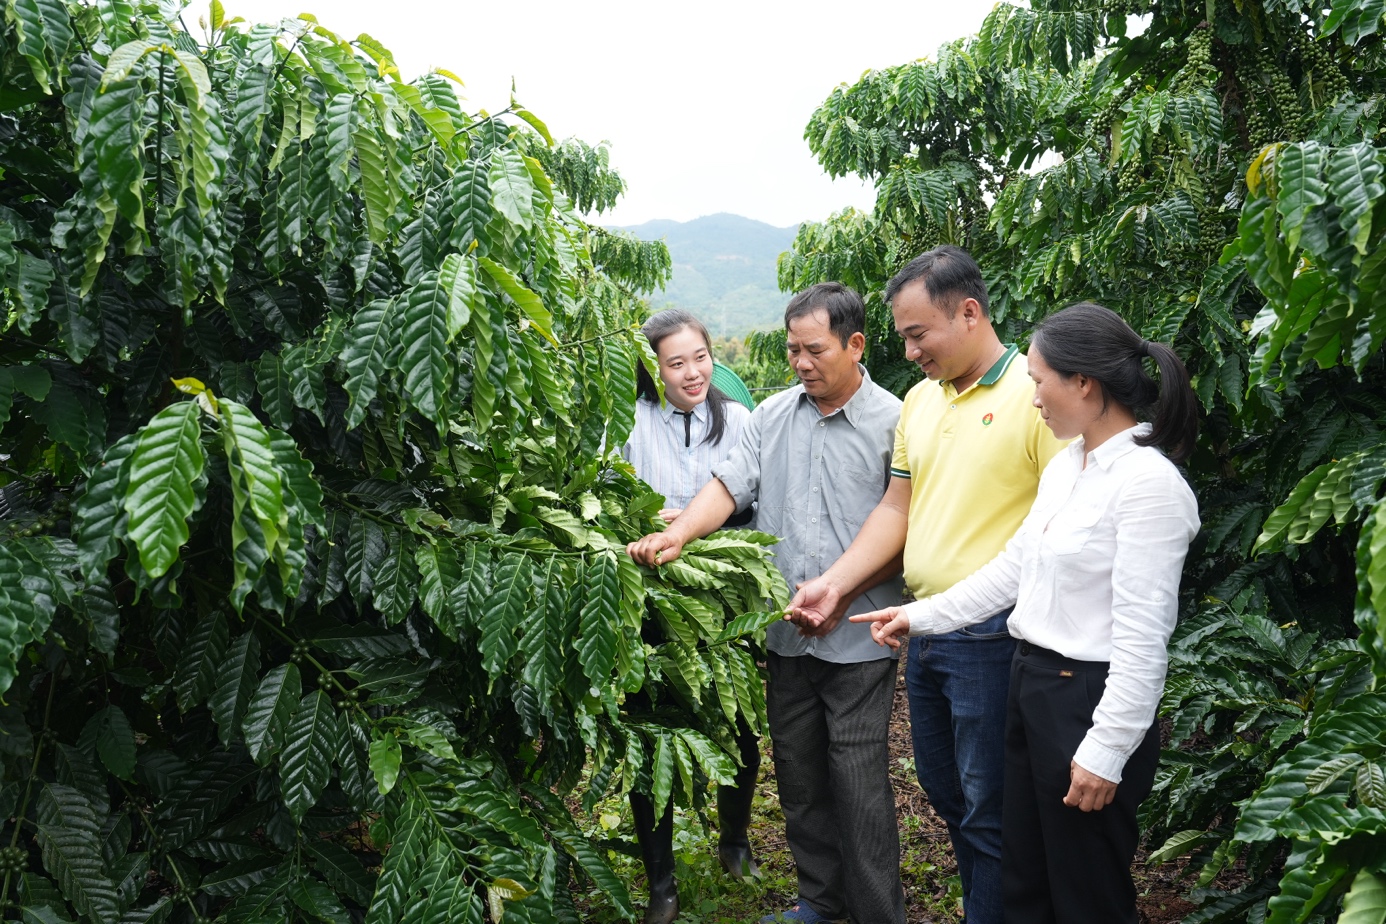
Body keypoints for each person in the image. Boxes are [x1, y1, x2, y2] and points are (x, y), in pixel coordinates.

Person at [850, 301, 1201, 924]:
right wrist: (920, 616)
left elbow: (1144, 641)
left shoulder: (1148, 485)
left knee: (1085, 887)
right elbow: (1015, 569)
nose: (1033, 397)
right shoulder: (1070, 466)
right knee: (1028, 878)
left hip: (1086, 701)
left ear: (1083, 383)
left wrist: (1106, 750)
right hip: (1031, 683)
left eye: (1039, 381)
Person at [788, 246, 1066, 924]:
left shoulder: (1035, 398)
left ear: (969, 313)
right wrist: (837, 584)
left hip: (997, 635)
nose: (909, 352)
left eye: (918, 335)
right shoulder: (920, 401)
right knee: (950, 797)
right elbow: (896, 510)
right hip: (930, 631)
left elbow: (1064, 526)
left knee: (989, 809)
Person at [627, 283, 907, 924]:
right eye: (791, 350)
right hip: (786, 634)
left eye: (814, 350)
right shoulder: (773, 416)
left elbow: (905, 527)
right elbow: (727, 488)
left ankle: (875, 914)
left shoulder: (895, 421)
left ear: (854, 344)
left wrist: (842, 593)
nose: (801, 363)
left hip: (859, 635)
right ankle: (821, 904)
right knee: (801, 776)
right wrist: (675, 534)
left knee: (858, 785)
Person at [618, 308, 755, 924]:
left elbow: (755, 501)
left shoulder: (741, 420)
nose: (694, 372)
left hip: (722, 597)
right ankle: (661, 883)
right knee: (650, 731)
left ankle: (735, 841)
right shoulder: (629, 419)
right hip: (648, 600)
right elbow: (608, 493)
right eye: (677, 363)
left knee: (739, 722)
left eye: (701, 357)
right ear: (655, 369)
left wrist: (702, 524)